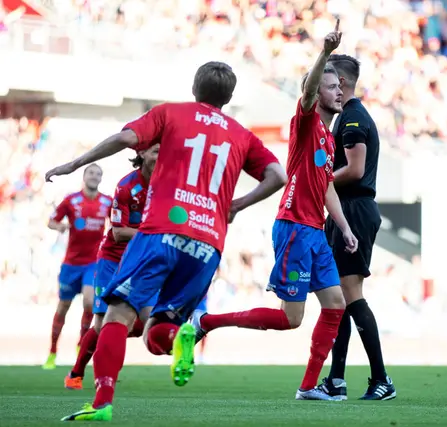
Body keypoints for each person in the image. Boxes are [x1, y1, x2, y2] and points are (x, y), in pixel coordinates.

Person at [45, 60, 287, 422]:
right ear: (229, 97)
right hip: (208, 243)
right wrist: (235, 205)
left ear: (194, 88)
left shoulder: (170, 113)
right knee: (158, 331)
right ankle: (180, 339)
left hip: (161, 231)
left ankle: (101, 403)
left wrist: (75, 163)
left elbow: (126, 139)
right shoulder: (242, 134)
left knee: (118, 313)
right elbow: (277, 174)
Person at [189, 21, 358, 401]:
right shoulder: (306, 121)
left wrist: (344, 227)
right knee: (289, 319)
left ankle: (308, 387)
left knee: (335, 305)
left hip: (316, 230)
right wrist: (325, 54)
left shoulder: (328, 140)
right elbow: (310, 89)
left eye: (341, 86)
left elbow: (327, 184)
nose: (339, 91)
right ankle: (207, 321)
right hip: (295, 227)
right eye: (333, 86)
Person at [316, 54, 395, 401]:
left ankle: (381, 379)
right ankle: (336, 379)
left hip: (355, 209)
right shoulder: (346, 117)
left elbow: (355, 169)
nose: (328, 87)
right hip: (347, 209)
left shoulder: (352, 118)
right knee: (339, 298)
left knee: (350, 295)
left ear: (341, 82)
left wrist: (318, 183)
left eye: (330, 80)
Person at [64, 144, 159, 390]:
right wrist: (155, 234)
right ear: (142, 155)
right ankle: (77, 373)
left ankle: (108, 354)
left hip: (141, 262)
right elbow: (118, 233)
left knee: (149, 322)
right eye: (156, 151)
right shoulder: (126, 187)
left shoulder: (165, 186)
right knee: (99, 325)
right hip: (112, 261)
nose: (161, 155)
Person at [43, 164, 112, 370]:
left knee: (90, 301)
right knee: (63, 307)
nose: (94, 176)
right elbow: (51, 222)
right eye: (91, 173)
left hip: (93, 263)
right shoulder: (71, 200)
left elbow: (116, 223)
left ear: (101, 178)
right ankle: (52, 352)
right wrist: (61, 226)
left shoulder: (107, 202)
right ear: (84, 176)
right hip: (71, 264)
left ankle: (81, 345)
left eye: (98, 174)